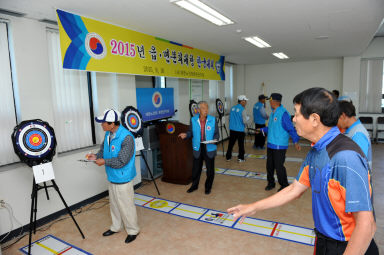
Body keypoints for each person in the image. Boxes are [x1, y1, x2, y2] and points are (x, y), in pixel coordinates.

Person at [228, 88, 378, 255]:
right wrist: (253, 207)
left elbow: (367, 225)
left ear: (315, 119)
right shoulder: (316, 150)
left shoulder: (345, 157)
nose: (293, 119)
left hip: (349, 246)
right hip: (324, 241)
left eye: (297, 114)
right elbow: (294, 189)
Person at [86, 109, 140, 244]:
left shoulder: (127, 137)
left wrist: (104, 161)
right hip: (112, 176)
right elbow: (103, 150)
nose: (101, 125)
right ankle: (116, 227)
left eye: (103, 123)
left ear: (112, 124)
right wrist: (97, 156)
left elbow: (122, 160)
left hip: (123, 178)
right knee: (114, 205)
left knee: (126, 206)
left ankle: (133, 230)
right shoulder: (108, 134)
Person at [260, 93, 300, 191]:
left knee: (279, 167)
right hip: (270, 144)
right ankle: (271, 183)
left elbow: (291, 129)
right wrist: (262, 130)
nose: (269, 102)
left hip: (279, 145)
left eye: (270, 100)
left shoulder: (283, 113)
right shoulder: (273, 112)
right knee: (269, 166)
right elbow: (271, 128)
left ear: (274, 101)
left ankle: (284, 184)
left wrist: (295, 141)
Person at [179, 101, 219, 194]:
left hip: (209, 146)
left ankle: (208, 187)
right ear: (199, 110)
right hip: (198, 147)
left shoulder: (213, 119)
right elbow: (190, 132)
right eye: (204, 108)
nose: (206, 110)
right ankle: (194, 185)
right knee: (196, 169)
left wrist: (215, 139)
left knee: (210, 170)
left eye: (207, 108)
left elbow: (216, 134)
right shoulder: (193, 120)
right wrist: (186, 134)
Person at [337, 100, 372, 168]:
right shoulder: (351, 131)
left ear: (343, 115)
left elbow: (358, 163)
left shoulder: (358, 135)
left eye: (336, 118)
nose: (336, 123)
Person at [226, 95, 250, 162]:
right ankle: (241, 158)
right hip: (240, 130)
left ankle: (228, 157)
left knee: (231, 144)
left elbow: (229, 118)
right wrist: (248, 119)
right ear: (242, 101)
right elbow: (245, 121)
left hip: (232, 129)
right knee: (241, 145)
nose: (246, 102)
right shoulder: (243, 109)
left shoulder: (232, 108)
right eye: (245, 101)